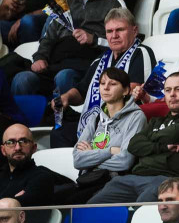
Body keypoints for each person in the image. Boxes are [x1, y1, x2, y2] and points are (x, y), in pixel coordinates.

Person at [11, 0, 122, 98]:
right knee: (22, 79)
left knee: (64, 76)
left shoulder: (114, 3)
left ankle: (65, 120)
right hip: (54, 64)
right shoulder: (63, 2)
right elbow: (47, 39)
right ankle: (19, 121)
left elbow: (123, 43)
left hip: (88, 69)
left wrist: (94, 39)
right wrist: (40, 58)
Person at [87, 72, 179, 204]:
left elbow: (174, 134)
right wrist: (162, 146)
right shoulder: (155, 122)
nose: (172, 94)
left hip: (170, 180)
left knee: (141, 210)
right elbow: (134, 144)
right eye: (168, 90)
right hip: (132, 178)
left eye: (178, 89)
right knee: (90, 208)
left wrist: (149, 139)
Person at [52, 8, 156, 148]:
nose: (114, 36)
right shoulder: (100, 60)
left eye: (120, 30)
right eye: (109, 31)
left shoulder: (141, 53)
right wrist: (66, 98)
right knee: (60, 132)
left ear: (134, 30)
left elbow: (135, 90)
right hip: (97, 120)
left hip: (124, 123)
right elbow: (81, 92)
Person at [72, 67, 147, 201]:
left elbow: (125, 161)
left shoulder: (136, 117)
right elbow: (77, 160)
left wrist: (91, 156)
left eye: (112, 84)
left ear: (125, 90)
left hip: (114, 182)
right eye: (102, 83)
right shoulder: (95, 118)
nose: (106, 88)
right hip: (88, 180)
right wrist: (110, 151)